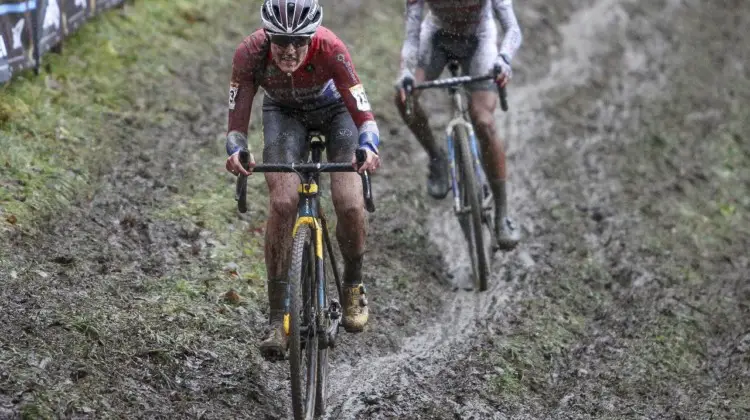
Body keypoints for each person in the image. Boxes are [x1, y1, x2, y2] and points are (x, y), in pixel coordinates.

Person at [224, 0, 381, 360]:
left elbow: (364, 113)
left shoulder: (332, 49)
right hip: (283, 113)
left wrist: (369, 146)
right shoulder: (249, 53)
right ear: (267, 35)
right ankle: (278, 317)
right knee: (282, 203)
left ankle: (353, 283)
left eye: (300, 41)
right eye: (280, 40)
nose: (290, 51)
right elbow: (236, 122)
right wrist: (236, 149)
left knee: (350, 203)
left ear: (313, 36)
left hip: (336, 113)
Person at [394, 0, 522, 250]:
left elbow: (512, 28)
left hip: (479, 38)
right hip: (437, 37)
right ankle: (436, 157)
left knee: (483, 121)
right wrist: (406, 71)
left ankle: (502, 214)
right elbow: (412, 36)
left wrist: (504, 57)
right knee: (403, 97)